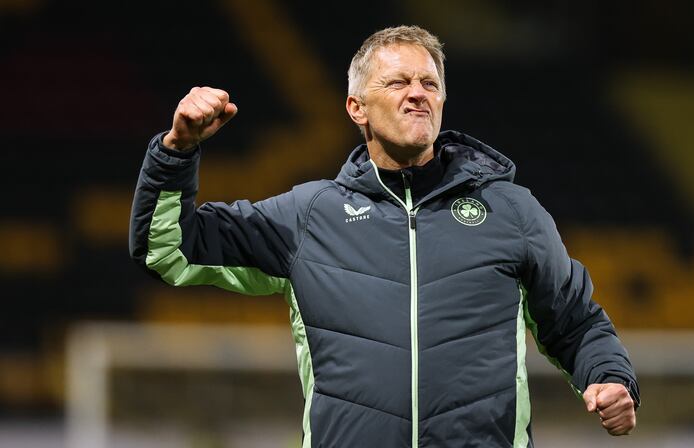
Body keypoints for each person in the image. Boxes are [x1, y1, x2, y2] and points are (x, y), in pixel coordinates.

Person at [129, 25, 639, 448]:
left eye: (429, 83)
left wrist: (610, 376)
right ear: (356, 107)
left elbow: (575, 321)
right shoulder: (308, 216)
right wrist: (177, 149)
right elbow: (167, 248)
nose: (418, 93)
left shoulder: (509, 210)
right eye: (397, 82)